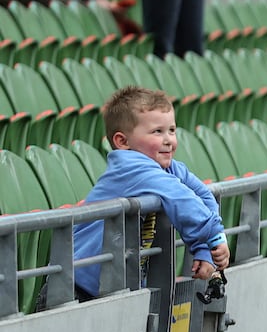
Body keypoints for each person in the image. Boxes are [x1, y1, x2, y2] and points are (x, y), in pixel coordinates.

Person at [68, 86, 229, 302]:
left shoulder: (168, 167)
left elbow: (202, 195)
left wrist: (204, 247)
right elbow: (181, 198)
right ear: (123, 142)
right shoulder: (132, 166)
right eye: (157, 132)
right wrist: (213, 238)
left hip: (112, 290)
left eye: (172, 130)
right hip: (75, 290)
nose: (168, 140)